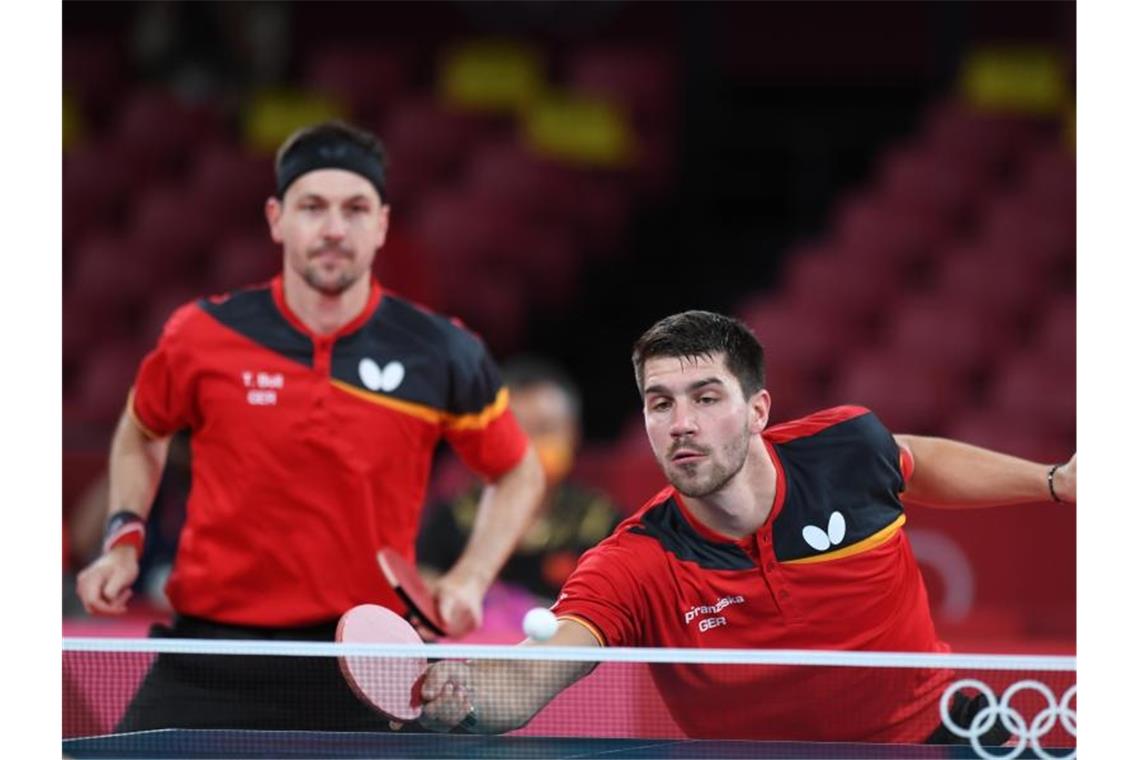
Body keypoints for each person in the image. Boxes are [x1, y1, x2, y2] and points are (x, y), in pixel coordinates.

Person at [74, 120, 545, 730]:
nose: (332, 229)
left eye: (355, 209)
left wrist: (469, 579)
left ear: (381, 225)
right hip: (211, 659)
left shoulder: (442, 350)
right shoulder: (203, 335)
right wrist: (123, 539)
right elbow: (141, 431)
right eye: (312, 207)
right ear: (276, 218)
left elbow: (518, 471)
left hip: (369, 668)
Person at [415, 310, 1077, 744]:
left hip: (941, 739)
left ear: (758, 409)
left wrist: (1053, 481)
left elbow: (918, 460)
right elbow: (536, 672)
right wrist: (470, 691)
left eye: (706, 399)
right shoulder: (636, 562)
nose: (681, 424)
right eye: (660, 404)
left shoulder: (844, 450)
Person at [417, 356, 623, 604]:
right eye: (516, 431)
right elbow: (423, 596)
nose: (528, 447)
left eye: (544, 429)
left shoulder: (603, 524)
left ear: (573, 433)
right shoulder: (453, 520)